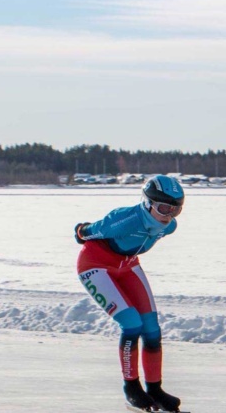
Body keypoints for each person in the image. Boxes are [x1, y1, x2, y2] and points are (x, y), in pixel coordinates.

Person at [74, 175, 185, 412]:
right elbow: (94, 230)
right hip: (95, 264)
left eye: (176, 210)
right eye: (164, 208)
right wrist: (81, 231)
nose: (169, 216)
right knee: (132, 324)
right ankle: (131, 388)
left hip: (127, 264)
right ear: (147, 202)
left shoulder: (169, 227)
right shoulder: (125, 219)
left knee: (152, 329)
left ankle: (155, 389)